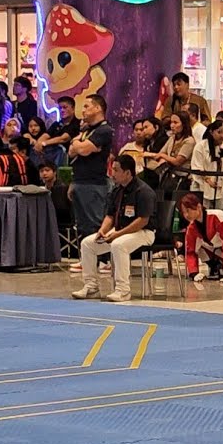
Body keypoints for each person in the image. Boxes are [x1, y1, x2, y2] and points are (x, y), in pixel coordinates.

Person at [70, 154, 156, 303]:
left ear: (127, 172)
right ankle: (91, 287)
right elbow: (110, 216)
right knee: (87, 243)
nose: (112, 173)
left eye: (116, 170)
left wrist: (117, 234)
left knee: (118, 245)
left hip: (144, 232)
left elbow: (142, 221)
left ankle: (123, 290)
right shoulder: (116, 191)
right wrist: (102, 230)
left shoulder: (144, 191)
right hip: (119, 230)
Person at [67, 94, 115, 246]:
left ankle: (101, 256)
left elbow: (83, 150)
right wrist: (78, 143)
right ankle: (86, 256)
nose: (83, 110)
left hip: (94, 183)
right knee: (82, 225)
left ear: (98, 108)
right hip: (79, 180)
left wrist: (77, 142)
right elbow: (71, 152)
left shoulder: (104, 130)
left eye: (87, 106)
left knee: (94, 223)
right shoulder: (87, 130)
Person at [190, 119, 223, 212]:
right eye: (219, 132)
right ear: (211, 132)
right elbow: (197, 167)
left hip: (220, 188)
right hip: (202, 187)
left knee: (220, 214)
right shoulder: (201, 146)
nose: (222, 136)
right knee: (204, 214)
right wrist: (208, 181)